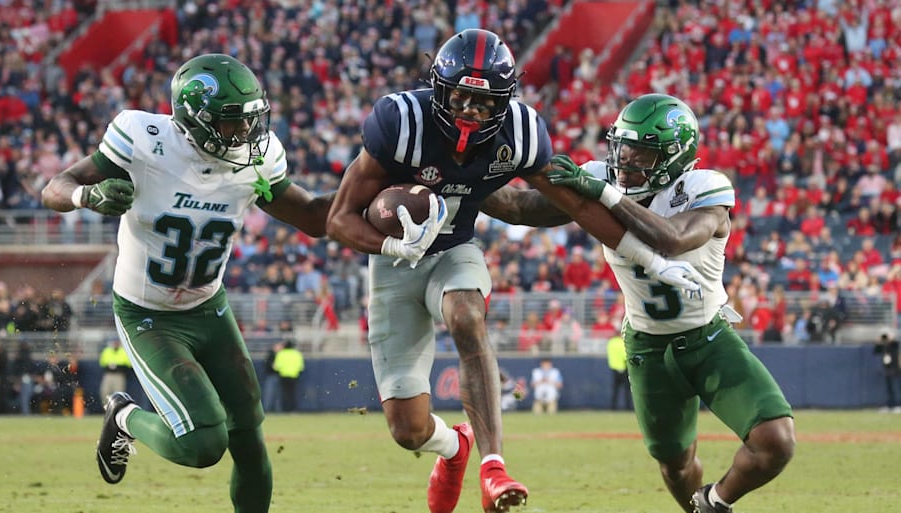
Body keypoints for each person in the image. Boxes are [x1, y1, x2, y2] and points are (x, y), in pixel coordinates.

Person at [326, 29, 699, 513]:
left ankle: (493, 467)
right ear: (438, 88)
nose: (470, 111)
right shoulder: (401, 122)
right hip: (394, 263)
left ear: (505, 100)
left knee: (466, 314)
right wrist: (394, 243)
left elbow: (570, 206)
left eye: (485, 102)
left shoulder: (520, 131)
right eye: (460, 96)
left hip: (455, 250)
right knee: (408, 430)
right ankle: (456, 447)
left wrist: (651, 258)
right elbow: (339, 219)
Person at [41, 53, 334, 513]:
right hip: (149, 315)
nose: (247, 132)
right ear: (195, 119)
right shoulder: (143, 139)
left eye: (251, 118)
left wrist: (371, 192)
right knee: (202, 443)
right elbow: (55, 187)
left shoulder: (256, 159)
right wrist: (87, 195)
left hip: (209, 308)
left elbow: (313, 218)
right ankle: (124, 415)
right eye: (233, 120)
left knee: (249, 435)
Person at [548, 93, 795, 513]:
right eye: (624, 147)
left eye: (641, 152)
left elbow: (672, 239)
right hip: (647, 347)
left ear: (675, 157)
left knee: (776, 441)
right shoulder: (603, 179)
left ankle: (714, 502)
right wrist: (465, 186)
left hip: (708, 337)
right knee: (675, 466)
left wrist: (604, 194)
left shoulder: (704, 189)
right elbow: (525, 208)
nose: (626, 160)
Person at [273, 340, 305, 412]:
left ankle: (285, 409)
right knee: (293, 394)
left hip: (283, 376)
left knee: (284, 394)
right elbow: (301, 367)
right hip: (294, 376)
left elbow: (276, 367)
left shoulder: (280, 353)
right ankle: (293, 409)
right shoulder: (297, 354)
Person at [98, 339, 132, 405]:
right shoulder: (107, 351)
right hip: (108, 374)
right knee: (105, 391)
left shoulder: (123, 351)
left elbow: (129, 364)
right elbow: (102, 363)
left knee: (119, 393)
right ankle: (107, 407)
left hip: (119, 374)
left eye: (116, 342)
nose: (115, 344)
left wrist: (118, 366)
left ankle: (118, 408)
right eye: (114, 342)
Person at [873, 332, 901, 413]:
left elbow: (895, 343)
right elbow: (875, 351)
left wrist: (890, 337)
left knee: (896, 388)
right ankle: (890, 405)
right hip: (887, 370)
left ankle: (898, 405)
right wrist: (879, 340)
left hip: (896, 370)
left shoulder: (894, 345)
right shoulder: (884, 346)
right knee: (889, 389)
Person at [605, 331, 631, 410]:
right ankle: (627, 407)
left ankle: (613, 407)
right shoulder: (621, 342)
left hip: (614, 367)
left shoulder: (610, 343)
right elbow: (624, 355)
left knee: (615, 389)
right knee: (627, 389)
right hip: (623, 368)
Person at [261, 341, 283, 413]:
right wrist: (273, 366)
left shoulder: (280, 354)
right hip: (271, 376)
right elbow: (268, 364)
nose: (280, 348)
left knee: (277, 394)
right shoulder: (271, 354)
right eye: (279, 346)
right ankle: (267, 409)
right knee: (269, 393)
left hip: (278, 376)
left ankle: (277, 409)